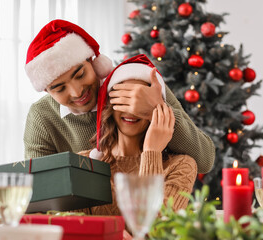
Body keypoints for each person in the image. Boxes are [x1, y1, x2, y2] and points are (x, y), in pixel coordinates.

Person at [24, 19, 215, 173]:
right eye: (59, 88)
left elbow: (205, 161)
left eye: (80, 74)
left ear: (93, 61)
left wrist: (157, 109)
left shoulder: (135, 83)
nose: (76, 92)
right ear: (47, 91)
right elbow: (40, 190)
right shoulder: (42, 117)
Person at [77, 54, 197, 216]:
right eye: (124, 100)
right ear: (109, 105)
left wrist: (151, 152)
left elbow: (156, 228)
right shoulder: (82, 165)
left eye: (141, 102)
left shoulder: (181, 166)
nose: (131, 110)